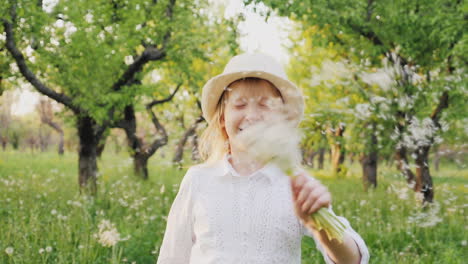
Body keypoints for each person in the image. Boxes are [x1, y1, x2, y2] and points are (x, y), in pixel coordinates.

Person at [157, 53, 369, 264]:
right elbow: (172, 256)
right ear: (222, 118)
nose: (252, 115)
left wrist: (319, 225)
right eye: (240, 105)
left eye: (265, 104)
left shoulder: (296, 185)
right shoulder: (198, 180)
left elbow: (353, 260)